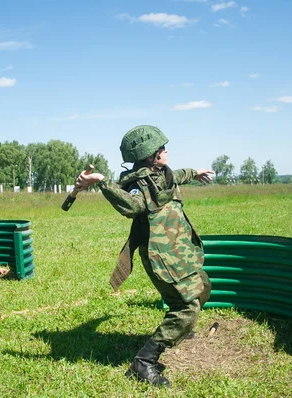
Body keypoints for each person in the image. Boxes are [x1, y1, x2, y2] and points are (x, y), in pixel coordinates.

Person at [75, 125, 213, 387]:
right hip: (162, 254)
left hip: (178, 248)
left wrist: (196, 173)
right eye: (161, 149)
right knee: (186, 307)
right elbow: (132, 205)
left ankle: (179, 329)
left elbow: (176, 176)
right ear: (149, 155)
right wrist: (102, 181)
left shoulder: (160, 173)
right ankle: (144, 362)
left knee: (204, 286)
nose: (166, 151)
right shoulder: (138, 183)